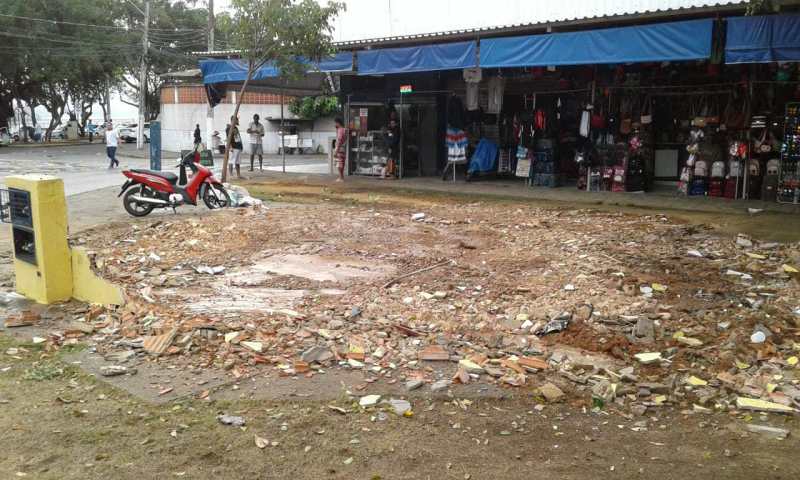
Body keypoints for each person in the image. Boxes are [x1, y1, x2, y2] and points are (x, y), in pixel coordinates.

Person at [334, 117, 346, 182]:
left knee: (339, 163)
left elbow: (339, 140)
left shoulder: (340, 130)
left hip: (340, 148)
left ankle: (341, 177)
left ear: (338, 123)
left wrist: (336, 150)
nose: (335, 124)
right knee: (342, 163)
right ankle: (341, 177)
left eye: (335, 123)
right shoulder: (344, 129)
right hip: (343, 148)